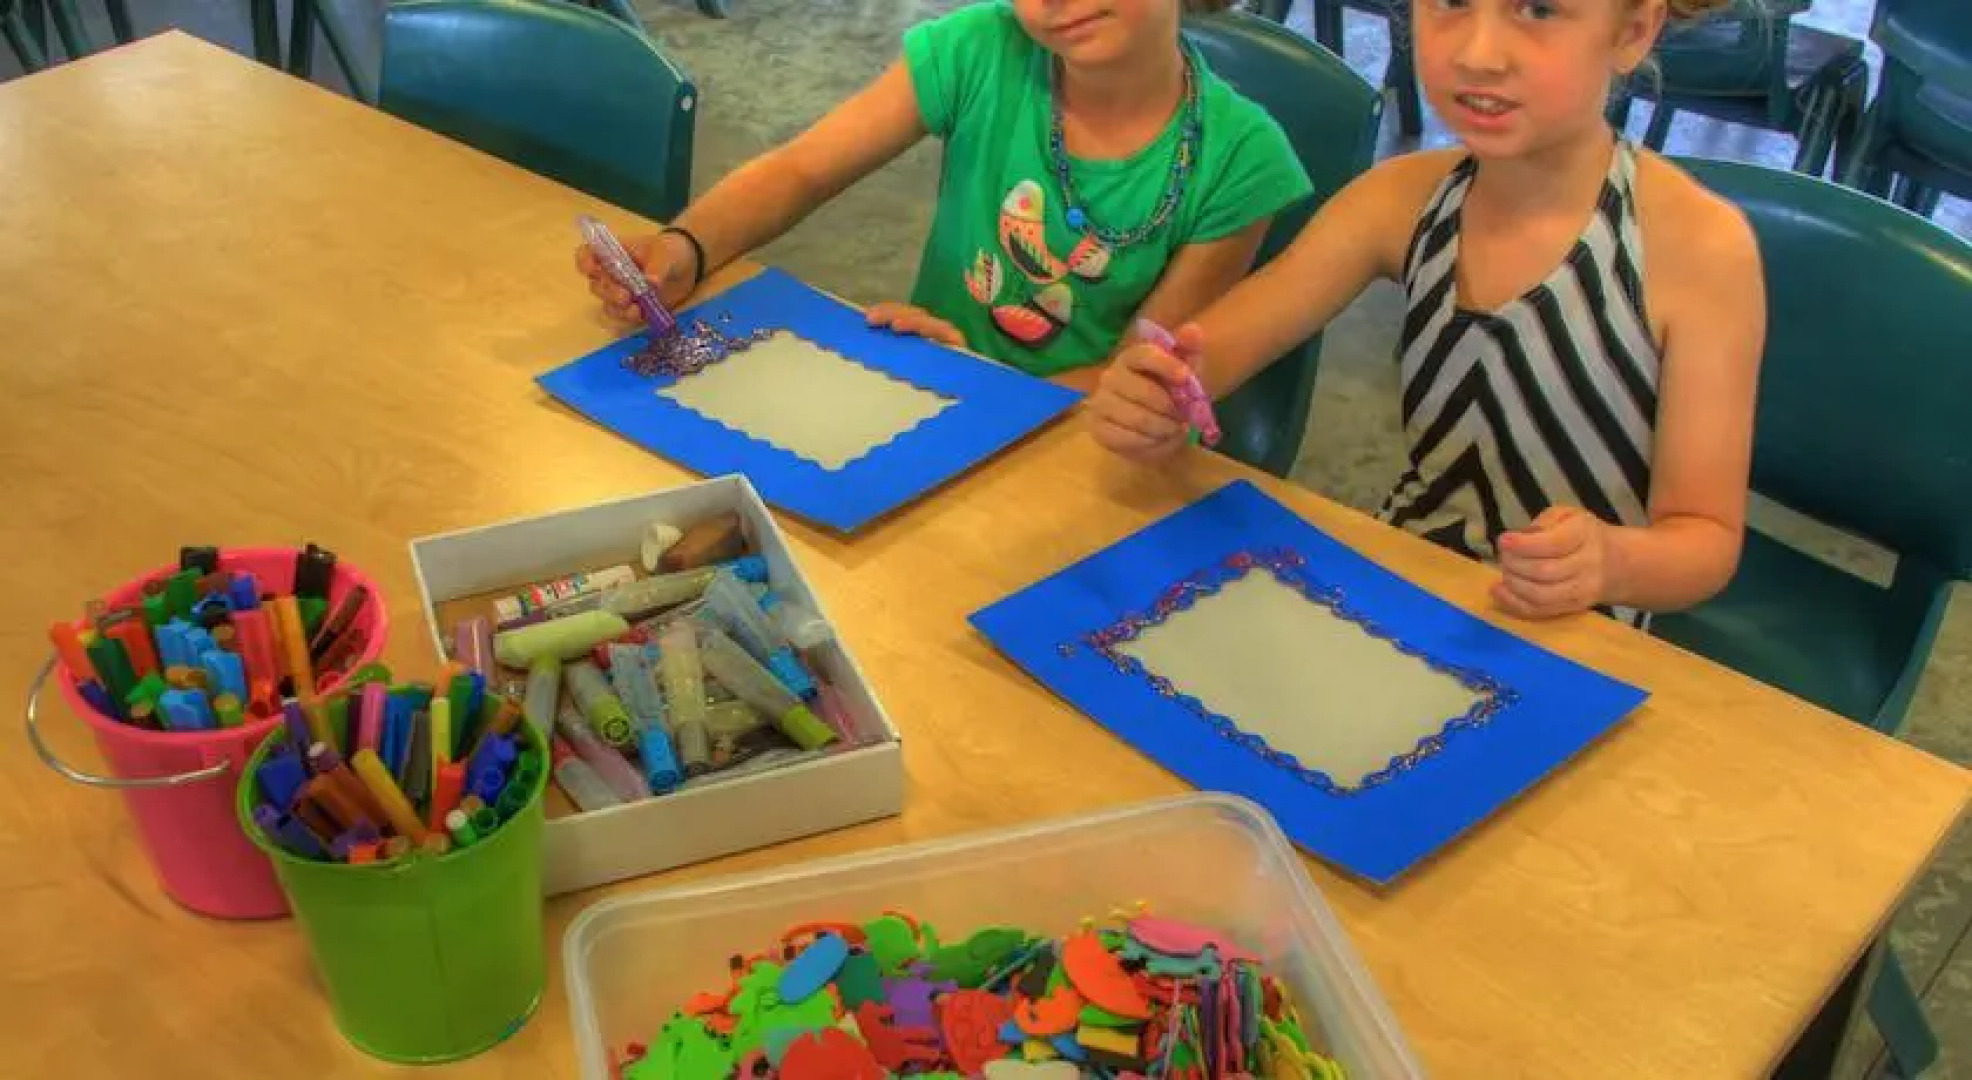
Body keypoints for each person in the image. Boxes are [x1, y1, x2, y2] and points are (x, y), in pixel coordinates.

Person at [1088, 0, 1766, 626]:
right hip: (1403, 586)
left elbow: (1704, 539)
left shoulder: (1699, 250)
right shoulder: (1397, 199)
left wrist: (1611, 562)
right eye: (1449, 1)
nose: (1478, 51)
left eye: (1537, 9)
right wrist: (1155, 393)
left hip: (1583, 629)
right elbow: (1213, 352)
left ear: (1634, 29)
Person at [576, 0, 1312, 380]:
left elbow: (1137, 382)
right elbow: (801, 168)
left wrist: (987, 389)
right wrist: (686, 245)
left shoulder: (1242, 162)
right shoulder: (980, 48)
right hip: (918, 396)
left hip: (1074, 452)